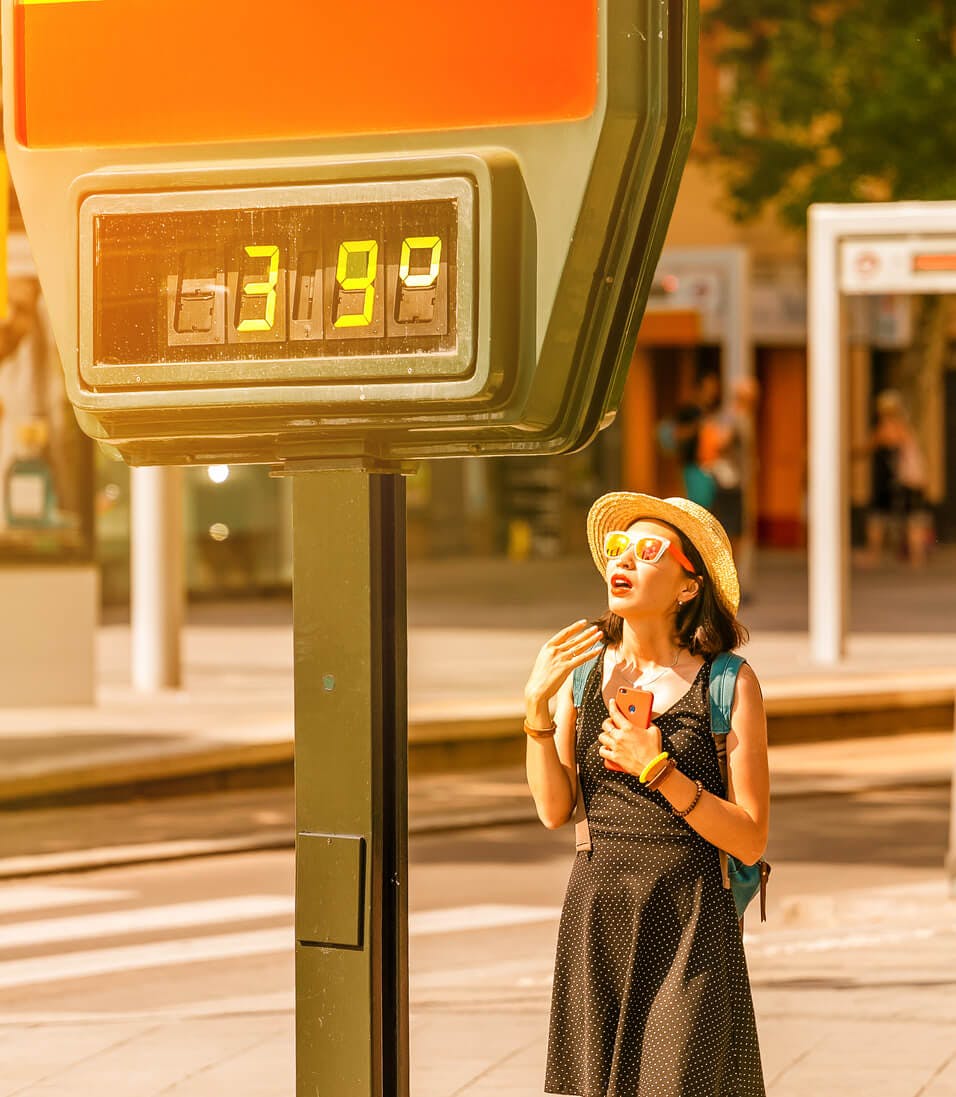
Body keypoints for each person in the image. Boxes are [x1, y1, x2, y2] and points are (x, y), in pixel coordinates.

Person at [523, 492, 769, 1097]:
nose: (622, 562)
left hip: (690, 917)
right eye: (616, 549)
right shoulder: (581, 677)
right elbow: (555, 811)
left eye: (647, 550)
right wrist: (534, 709)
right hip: (598, 912)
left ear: (689, 585)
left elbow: (751, 834)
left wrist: (656, 767)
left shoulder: (727, 681)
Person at [855, 389, 930, 567]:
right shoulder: (905, 427)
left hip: (898, 481)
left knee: (879, 515)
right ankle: (916, 557)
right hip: (910, 480)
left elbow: (871, 446)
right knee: (912, 516)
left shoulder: (890, 427)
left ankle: (875, 554)